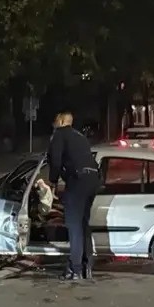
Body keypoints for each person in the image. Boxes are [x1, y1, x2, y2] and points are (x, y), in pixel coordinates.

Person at [47, 111, 100, 280]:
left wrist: (53, 182)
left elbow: (55, 161)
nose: (54, 124)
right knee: (84, 225)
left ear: (62, 121)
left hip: (78, 182)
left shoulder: (59, 135)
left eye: (56, 120)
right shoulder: (80, 137)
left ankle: (74, 269)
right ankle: (87, 266)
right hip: (93, 181)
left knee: (74, 226)